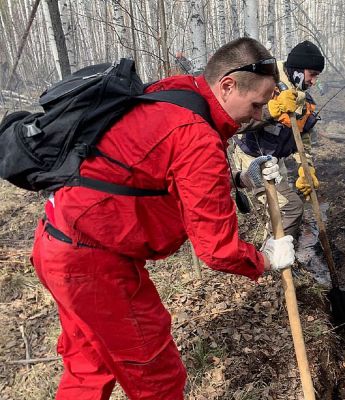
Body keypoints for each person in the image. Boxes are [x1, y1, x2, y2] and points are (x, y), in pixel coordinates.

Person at [30, 38, 295, 400]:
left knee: (89, 368)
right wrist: (264, 258)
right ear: (228, 84)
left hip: (57, 240)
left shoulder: (175, 93)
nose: (259, 115)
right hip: (94, 266)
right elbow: (217, 250)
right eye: (256, 104)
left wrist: (237, 181)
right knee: (159, 379)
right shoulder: (196, 135)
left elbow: (149, 173)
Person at [232, 40, 325, 240]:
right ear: (299, 70)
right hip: (252, 157)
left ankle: (274, 256)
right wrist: (271, 111)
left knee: (277, 213)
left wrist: (305, 168)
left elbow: (303, 137)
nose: (314, 82)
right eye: (313, 75)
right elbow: (235, 124)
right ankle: (276, 260)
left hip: (274, 159)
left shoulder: (302, 99)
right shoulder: (265, 82)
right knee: (289, 208)